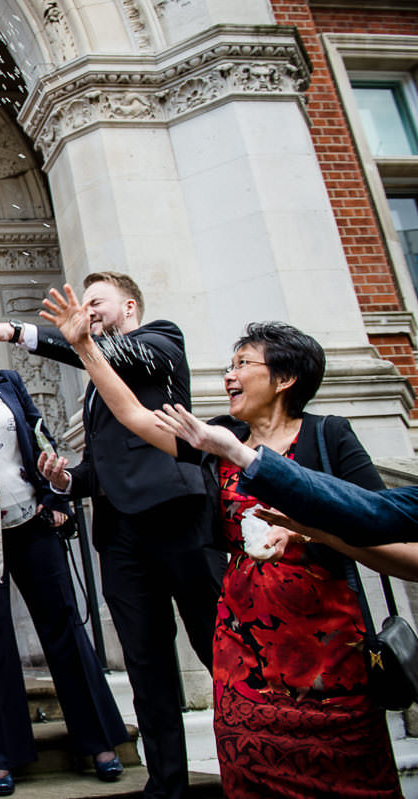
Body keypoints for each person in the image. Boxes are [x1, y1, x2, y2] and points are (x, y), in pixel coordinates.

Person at [40, 285, 411, 797]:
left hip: (328, 661)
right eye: (229, 364)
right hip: (243, 661)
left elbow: (404, 552)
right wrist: (83, 348)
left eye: (243, 364)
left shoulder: (329, 438)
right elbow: (133, 416)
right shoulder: (220, 440)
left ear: (285, 379)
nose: (228, 375)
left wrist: (315, 531)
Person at [0, 273, 223, 799]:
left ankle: (253, 755)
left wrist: (14, 331)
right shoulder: (100, 390)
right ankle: (166, 784)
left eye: (97, 302)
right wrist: (65, 479)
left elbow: (115, 356)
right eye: (84, 305)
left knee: (218, 648)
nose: (88, 311)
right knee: (147, 665)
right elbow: (100, 468)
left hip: (178, 519)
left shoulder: (162, 343)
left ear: (129, 305)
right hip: (121, 536)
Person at [0, 313, 127, 793]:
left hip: (31, 521)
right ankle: (1, 754)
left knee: (64, 631)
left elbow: (39, 438)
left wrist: (57, 497)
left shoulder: (9, 384)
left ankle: (98, 740)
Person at [191, 428, 418, 547]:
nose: (229, 375)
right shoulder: (231, 430)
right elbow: (373, 511)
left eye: (243, 363)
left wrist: (244, 456)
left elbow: (371, 512)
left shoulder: (329, 430)